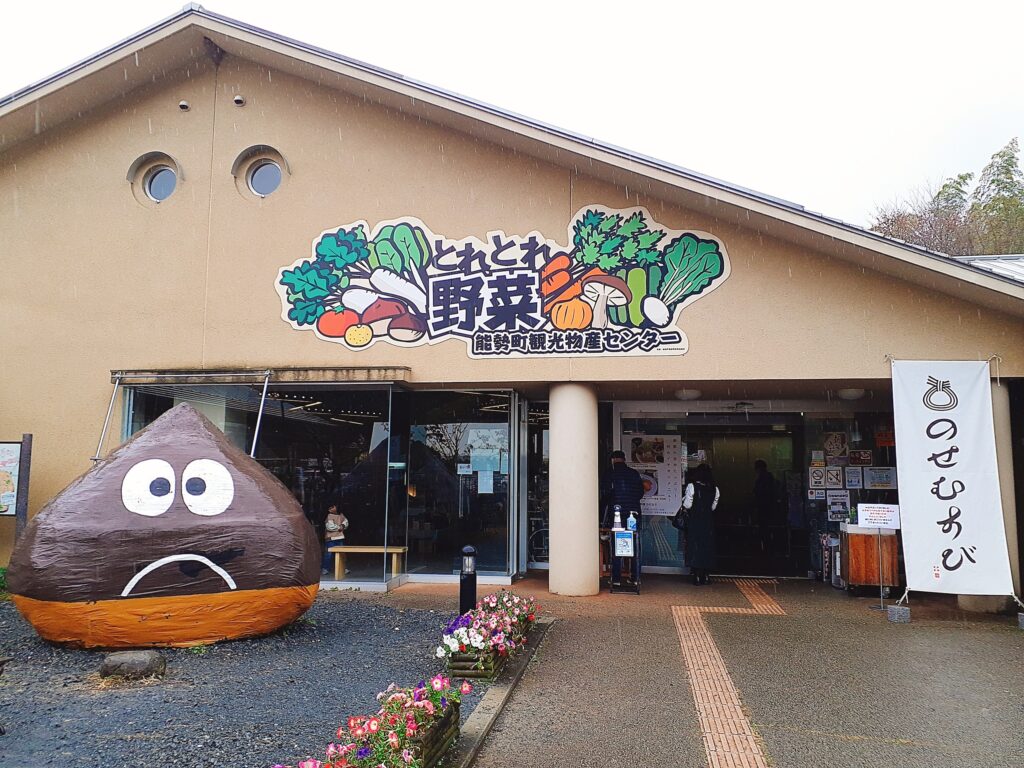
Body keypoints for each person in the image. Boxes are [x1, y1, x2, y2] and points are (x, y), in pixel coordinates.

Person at [601, 450, 645, 586]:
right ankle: (635, 578)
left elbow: (605, 494)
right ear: (624, 459)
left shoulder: (610, 473)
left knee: (617, 544)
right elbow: (640, 493)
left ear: (613, 460)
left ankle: (616, 579)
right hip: (634, 514)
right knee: (635, 545)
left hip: (617, 515)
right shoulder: (634, 473)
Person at [680, 463, 720, 585]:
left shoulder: (692, 486)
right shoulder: (715, 488)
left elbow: (688, 505)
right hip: (708, 521)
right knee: (707, 546)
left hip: (695, 520)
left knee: (695, 545)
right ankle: (706, 575)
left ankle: (696, 575)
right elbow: (713, 507)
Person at [321, 503, 349, 576]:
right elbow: (329, 527)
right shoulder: (329, 516)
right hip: (331, 538)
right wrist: (340, 527)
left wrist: (343, 525)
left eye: (333, 507)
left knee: (342, 554)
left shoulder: (341, 515)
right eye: (330, 508)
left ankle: (343, 568)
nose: (332, 509)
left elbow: (346, 522)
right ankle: (325, 568)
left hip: (340, 537)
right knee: (328, 554)